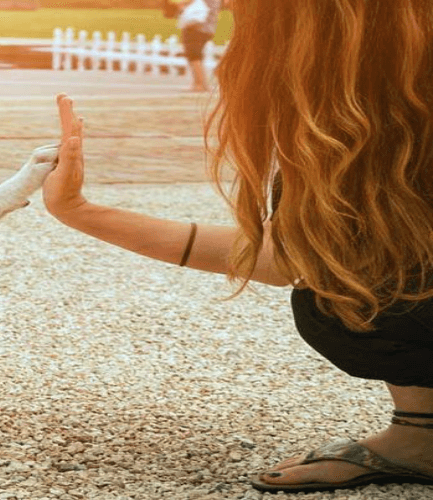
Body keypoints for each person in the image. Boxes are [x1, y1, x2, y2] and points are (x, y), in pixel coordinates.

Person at [42, 0, 433, 493]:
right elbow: (285, 257)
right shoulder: (379, 122)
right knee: (348, 277)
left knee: (349, 297)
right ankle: (421, 438)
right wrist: (80, 210)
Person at [177, 0, 222, 92]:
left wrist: (182, 4)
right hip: (208, 28)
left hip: (196, 27)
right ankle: (202, 84)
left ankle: (199, 84)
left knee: (194, 56)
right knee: (197, 56)